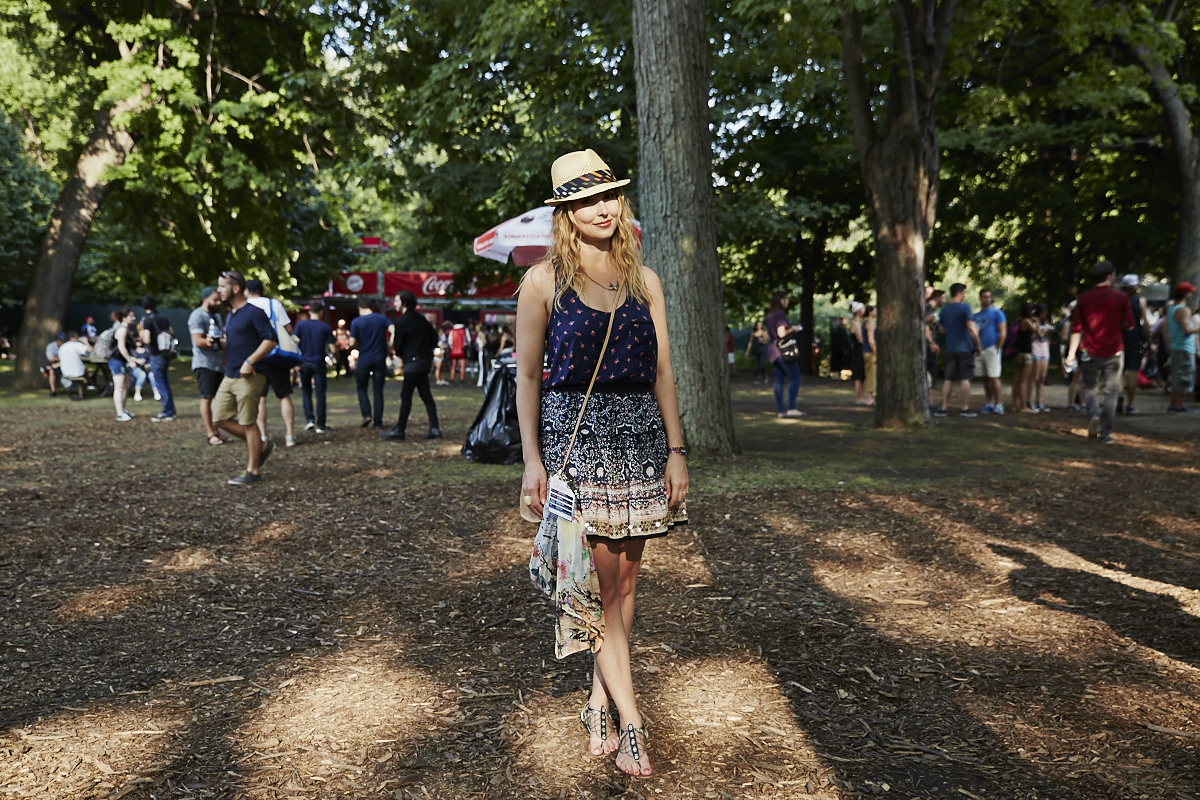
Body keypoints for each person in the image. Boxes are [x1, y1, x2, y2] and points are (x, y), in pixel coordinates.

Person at [517, 149, 687, 778]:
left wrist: (676, 450)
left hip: (641, 443)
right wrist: (532, 460)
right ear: (566, 210)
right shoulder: (543, 283)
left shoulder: (647, 281)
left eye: (610, 195)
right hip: (578, 446)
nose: (603, 207)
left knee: (625, 587)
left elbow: (663, 370)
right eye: (587, 199)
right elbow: (529, 376)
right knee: (602, 593)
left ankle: (599, 699)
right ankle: (634, 722)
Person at [213, 270, 278, 485]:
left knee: (248, 422)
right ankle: (263, 445)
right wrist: (216, 342)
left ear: (236, 288)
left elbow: (270, 340)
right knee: (218, 418)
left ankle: (253, 471)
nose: (219, 291)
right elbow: (236, 341)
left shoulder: (254, 312)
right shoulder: (231, 315)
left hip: (251, 375)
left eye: (222, 286)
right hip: (230, 373)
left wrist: (250, 361)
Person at [1064, 260, 1135, 443]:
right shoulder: (1121, 297)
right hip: (1114, 351)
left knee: (1090, 388)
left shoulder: (1084, 299)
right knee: (1111, 391)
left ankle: (1093, 415)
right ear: (1110, 276)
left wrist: (1071, 354)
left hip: (1089, 350)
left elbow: (1076, 329)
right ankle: (1106, 432)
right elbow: (1130, 324)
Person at [245, 279, 298, 447]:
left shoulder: (244, 307)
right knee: (283, 395)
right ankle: (289, 434)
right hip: (276, 355)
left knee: (260, 398)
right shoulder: (273, 304)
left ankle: (263, 436)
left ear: (246, 291)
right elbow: (288, 329)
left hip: (255, 356)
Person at [382, 290, 442, 440]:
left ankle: (400, 429)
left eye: (396, 301)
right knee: (426, 395)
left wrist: (404, 354)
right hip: (424, 362)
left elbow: (398, 345)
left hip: (412, 363)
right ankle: (435, 428)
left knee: (406, 395)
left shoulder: (401, 322)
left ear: (404, 303)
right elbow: (434, 338)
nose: (394, 304)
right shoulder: (422, 320)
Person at [935, 283, 983, 417]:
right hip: (965, 348)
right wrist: (978, 344)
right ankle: (964, 408)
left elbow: (942, 329)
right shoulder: (965, 308)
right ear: (959, 293)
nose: (965, 295)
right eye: (964, 293)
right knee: (965, 378)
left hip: (951, 348)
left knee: (947, 378)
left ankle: (943, 408)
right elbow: (971, 328)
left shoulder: (944, 310)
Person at [189, 286, 227, 445]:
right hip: (204, 364)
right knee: (207, 398)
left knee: (218, 400)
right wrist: (209, 342)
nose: (218, 303)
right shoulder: (197, 315)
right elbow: (198, 341)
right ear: (205, 299)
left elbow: (223, 337)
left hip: (219, 364)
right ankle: (210, 433)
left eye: (219, 300)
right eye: (215, 300)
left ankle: (217, 431)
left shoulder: (217, 316)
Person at [349, 297, 393, 428]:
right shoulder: (381, 318)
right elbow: (393, 329)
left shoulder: (356, 322)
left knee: (362, 388)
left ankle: (367, 415)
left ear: (360, 308)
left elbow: (351, 343)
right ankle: (378, 421)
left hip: (364, 359)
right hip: (379, 359)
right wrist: (390, 345)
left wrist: (356, 344)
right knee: (378, 391)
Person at [294, 302, 334, 433]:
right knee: (320, 394)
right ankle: (321, 424)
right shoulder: (325, 327)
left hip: (304, 362)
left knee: (306, 391)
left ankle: (309, 420)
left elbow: (294, 343)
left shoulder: (300, 325)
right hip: (319, 363)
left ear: (309, 312)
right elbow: (332, 347)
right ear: (321, 312)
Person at [765, 291, 804, 417]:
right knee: (795, 377)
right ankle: (791, 407)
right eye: (786, 299)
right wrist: (793, 329)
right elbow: (781, 333)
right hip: (783, 350)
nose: (787, 302)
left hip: (773, 350)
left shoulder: (769, 315)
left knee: (779, 380)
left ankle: (781, 410)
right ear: (781, 300)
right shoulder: (779, 314)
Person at [1162, 282, 1199, 413]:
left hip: (1176, 346)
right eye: (1190, 292)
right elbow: (1186, 329)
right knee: (1184, 375)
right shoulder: (1184, 310)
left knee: (1177, 376)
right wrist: (1198, 325)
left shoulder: (1171, 308)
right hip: (1185, 348)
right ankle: (1178, 406)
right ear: (1186, 294)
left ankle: (1174, 404)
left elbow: (1164, 327)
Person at [138, 295, 177, 422]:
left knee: (160, 382)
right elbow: (172, 332)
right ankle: (170, 410)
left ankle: (167, 411)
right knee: (165, 381)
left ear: (144, 307)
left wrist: (142, 334)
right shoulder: (163, 317)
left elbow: (147, 339)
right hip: (166, 353)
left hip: (155, 354)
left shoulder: (147, 320)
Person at [1118, 274, 1150, 415]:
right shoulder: (1140, 301)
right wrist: (1149, 340)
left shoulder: (1118, 300)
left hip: (1119, 335)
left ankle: (1118, 394)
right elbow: (1145, 322)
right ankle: (1130, 404)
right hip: (1134, 335)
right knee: (1133, 369)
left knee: (1119, 368)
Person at [973, 288, 1007, 414]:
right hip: (980, 349)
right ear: (980, 298)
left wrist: (998, 347)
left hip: (992, 348)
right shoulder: (976, 316)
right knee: (985, 377)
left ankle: (999, 404)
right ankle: (990, 403)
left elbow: (1003, 331)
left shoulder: (997, 313)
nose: (986, 299)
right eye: (984, 297)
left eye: (988, 296)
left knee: (994, 377)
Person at [107, 308, 143, 421]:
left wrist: (133, 360)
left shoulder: (126, 329)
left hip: (122, 361)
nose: (134, 318)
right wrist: (131, 361)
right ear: (124, 318)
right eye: (131, 316)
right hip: (117, 361)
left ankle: (123, 409)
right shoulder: (122, 330)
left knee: (126, 385)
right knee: (120, 387)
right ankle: (119, 413)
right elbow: (121, 348)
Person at [1011, 301, 1038, 412]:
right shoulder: (1027, 321)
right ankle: (1023, 406)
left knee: (1017, 379)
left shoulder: (1019, 321)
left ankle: (1014, 404)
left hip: (1018, 353)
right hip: (1026, 354)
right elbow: (1038, 332)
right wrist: (1038, 322)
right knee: (1024, 381)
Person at [57, 331, 91, 400]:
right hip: (77, 372)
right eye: (76, 337)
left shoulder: (62, 347)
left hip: (65, 371)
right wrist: (86, 342)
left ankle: (85, 387)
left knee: (82, 369)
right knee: (84, 370)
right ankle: (89, 383)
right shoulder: (76, 344)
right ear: (72, 338)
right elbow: (90, 350)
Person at [1030, 303, 1051, 412]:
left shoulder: (1046, 323)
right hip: (1036, 349)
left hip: (1045, 350)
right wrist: (1040, 330)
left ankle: (1039, 401)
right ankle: (1030, 401)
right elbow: (1033, 337)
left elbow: (1048, 338)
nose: (1044, 315)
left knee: (1042, 377)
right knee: (1035, 377)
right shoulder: (1033, 322)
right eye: (1042, 313)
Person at [924, 289, 945, 396]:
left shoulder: (932, 309)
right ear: (938, 297)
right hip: (928, 345)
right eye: (944, 298)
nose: (945, 300)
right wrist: (931, 342)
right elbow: (925, 325)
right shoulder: (929, 308)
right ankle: (930, 402)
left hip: (930, 344)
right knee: (930, 373)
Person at [849, 301, 871, 405]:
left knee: (862, 374)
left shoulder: (859, 323)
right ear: (857, 312)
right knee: (858, 375)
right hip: (858, 351)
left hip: (860, 350)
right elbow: (860, 339)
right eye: (862, 309)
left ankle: (862, 396)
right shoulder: (855, 323)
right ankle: (859, 397)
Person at [863, 305, 878, 401]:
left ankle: (867, 396)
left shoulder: (867, 322)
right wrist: (876, 350)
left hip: (867, 351)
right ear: (870, 312)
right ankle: (869, 397)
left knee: (869, 374)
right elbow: (871, 339)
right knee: (871, 375)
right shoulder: (870, 323)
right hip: (870, 352)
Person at [43, 332, 64, 396]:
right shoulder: (51, 346)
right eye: (61, 341)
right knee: (51, 371)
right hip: (54, 364)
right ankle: (53, 391)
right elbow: (51, 359)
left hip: (64, 364)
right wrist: (60, 359)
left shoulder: (66, 346)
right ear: (56, 340)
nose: (62, 342)